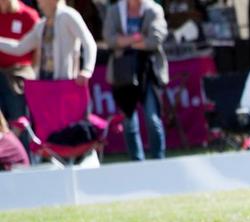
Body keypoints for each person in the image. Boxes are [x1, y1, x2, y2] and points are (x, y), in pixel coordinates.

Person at [104, 0, 168, 161]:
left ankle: (159, 161)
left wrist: (125, 42)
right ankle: (136, 162)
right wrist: (137, 38)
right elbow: (109, 39)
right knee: (129, 122)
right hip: (123, 72)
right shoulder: (115, 11)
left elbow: (155, 40)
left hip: (148, 72)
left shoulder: (153, 10)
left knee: (152, 119)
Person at [0, 0, 94, 86]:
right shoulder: (41, 25)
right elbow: (19, 47)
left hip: (66, 83)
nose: (38, 1)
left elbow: (88, 41)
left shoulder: (68, 15)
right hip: (45, 83)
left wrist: (87, 70)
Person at [0, 0, 39, 132]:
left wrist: (32, 73)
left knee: (19, 122)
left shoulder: (29, 15)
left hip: (18, 77)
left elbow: (38, 50)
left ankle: (23, 151)